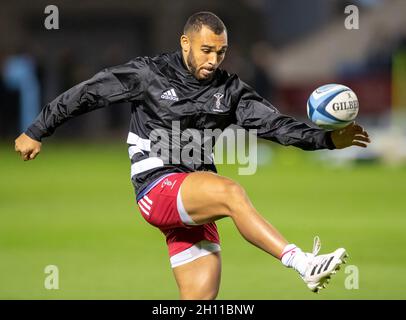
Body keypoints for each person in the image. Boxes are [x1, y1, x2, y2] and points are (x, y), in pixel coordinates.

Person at [14, 12, 370, 299]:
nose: (213, 60)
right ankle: (302, 262)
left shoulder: (229, 91)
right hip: (157, 187)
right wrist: (37, 129)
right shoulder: (148, 74)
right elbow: (88, 93)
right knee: (230, 192)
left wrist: (328, 141)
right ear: (185, 43)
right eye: (206, 50)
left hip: (193, 204)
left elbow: (276, 126)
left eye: (221, 52)